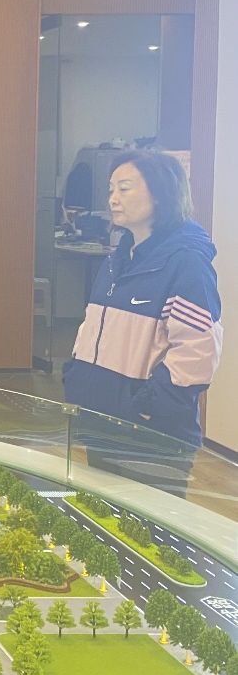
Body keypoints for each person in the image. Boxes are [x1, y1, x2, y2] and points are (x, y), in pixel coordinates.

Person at [63, 150, 222, 494]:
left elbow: (197, 352)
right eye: (111, 190)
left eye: (124, 188)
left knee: (148, 523)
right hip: (103, 420)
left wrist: (150, 407)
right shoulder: (117, 259)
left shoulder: (187, 262)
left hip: (150, 432)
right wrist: (76, 378)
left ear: (161, 194)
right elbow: (93, 329)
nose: (113, 199)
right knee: (104, 515)